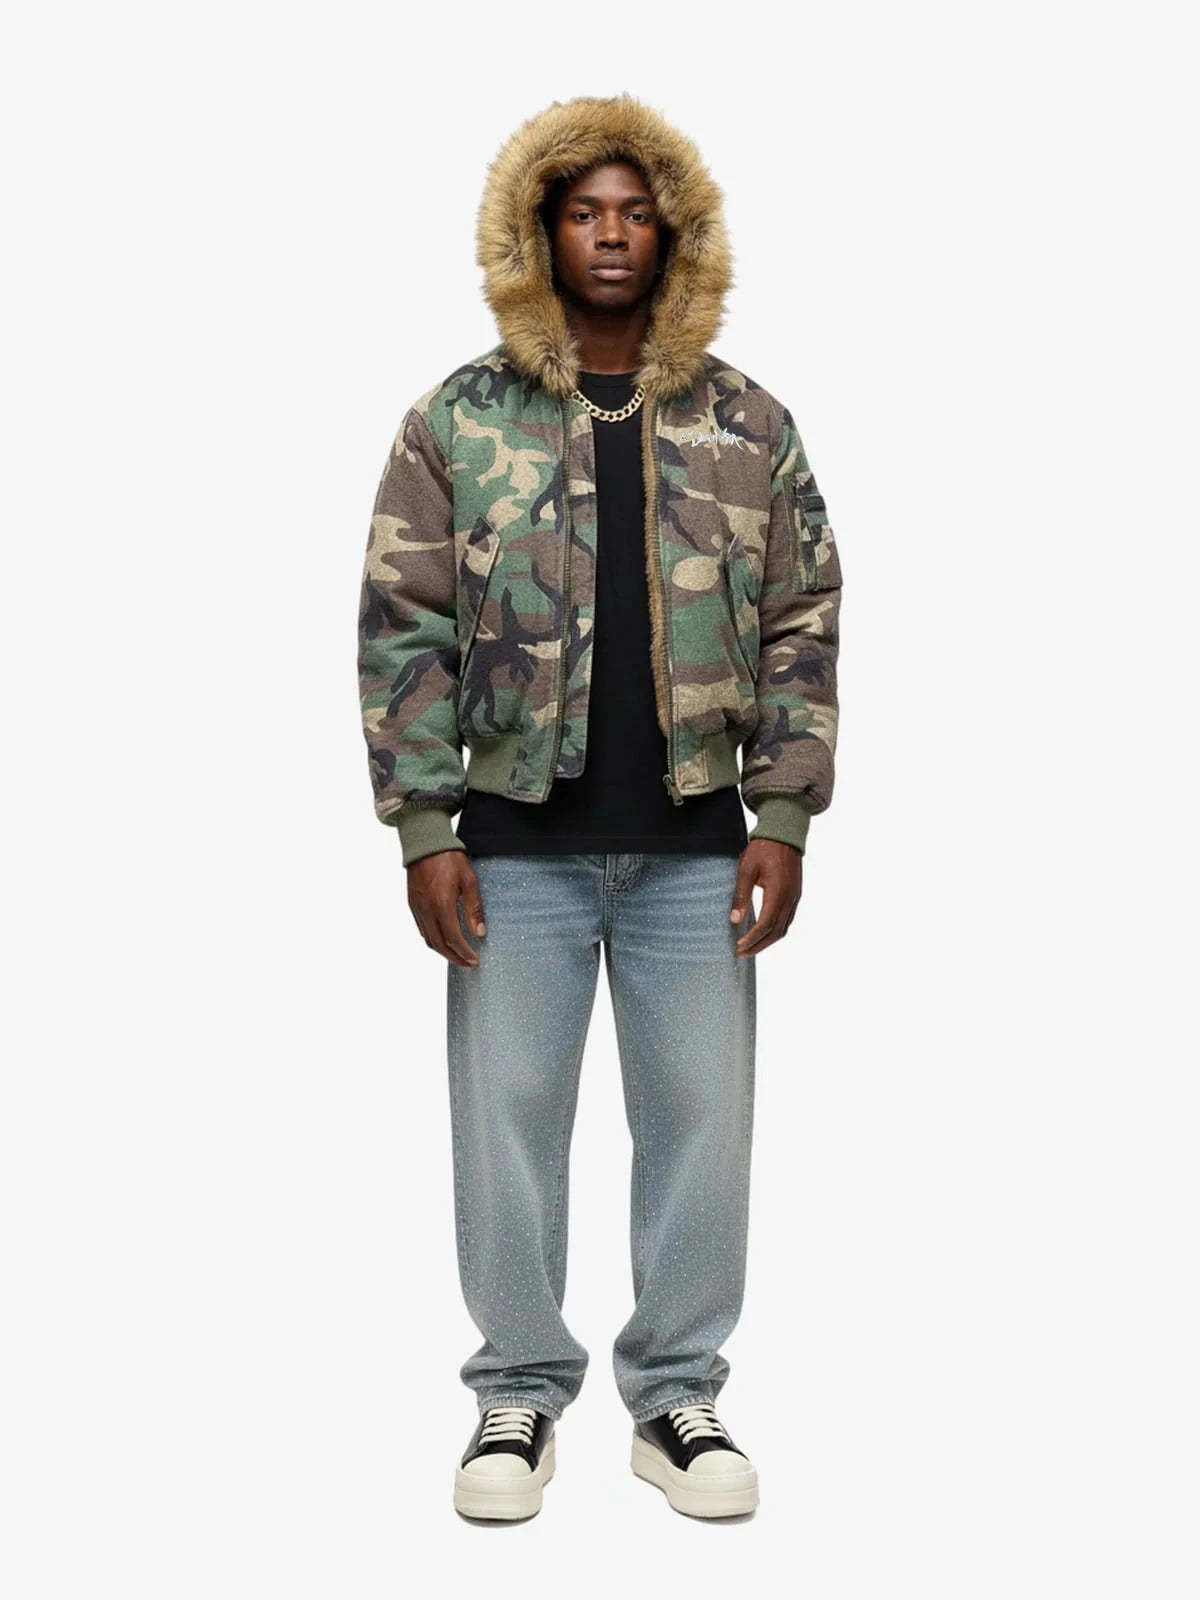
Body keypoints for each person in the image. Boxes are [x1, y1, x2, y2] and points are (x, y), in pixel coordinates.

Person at [357, 93, 842, 1521]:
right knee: (507, 1127)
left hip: (697, 848)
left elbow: (804, 619)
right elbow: (401, 625)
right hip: (515, 847)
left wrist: (782, 814)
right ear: (541, 233)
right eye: (585, 212)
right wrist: (427, 829)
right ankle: (516, 1392)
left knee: (702, 1128)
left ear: (674, 235)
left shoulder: (750, 424)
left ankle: (676, 1395)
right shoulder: (458, 420)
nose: (612, 235)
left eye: (635, 212)